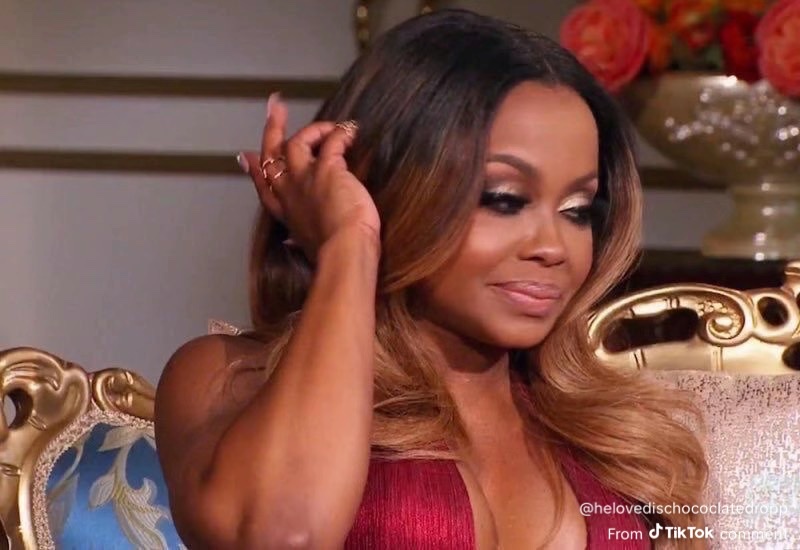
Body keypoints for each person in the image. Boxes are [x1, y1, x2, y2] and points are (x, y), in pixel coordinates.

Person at [154, 8, 708, 549]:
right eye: (504, 199)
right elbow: (282, 535)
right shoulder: (227, 376)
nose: (553, 247)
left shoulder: (612, 434)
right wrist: (348, 246)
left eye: (578, 210)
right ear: (381, 191)